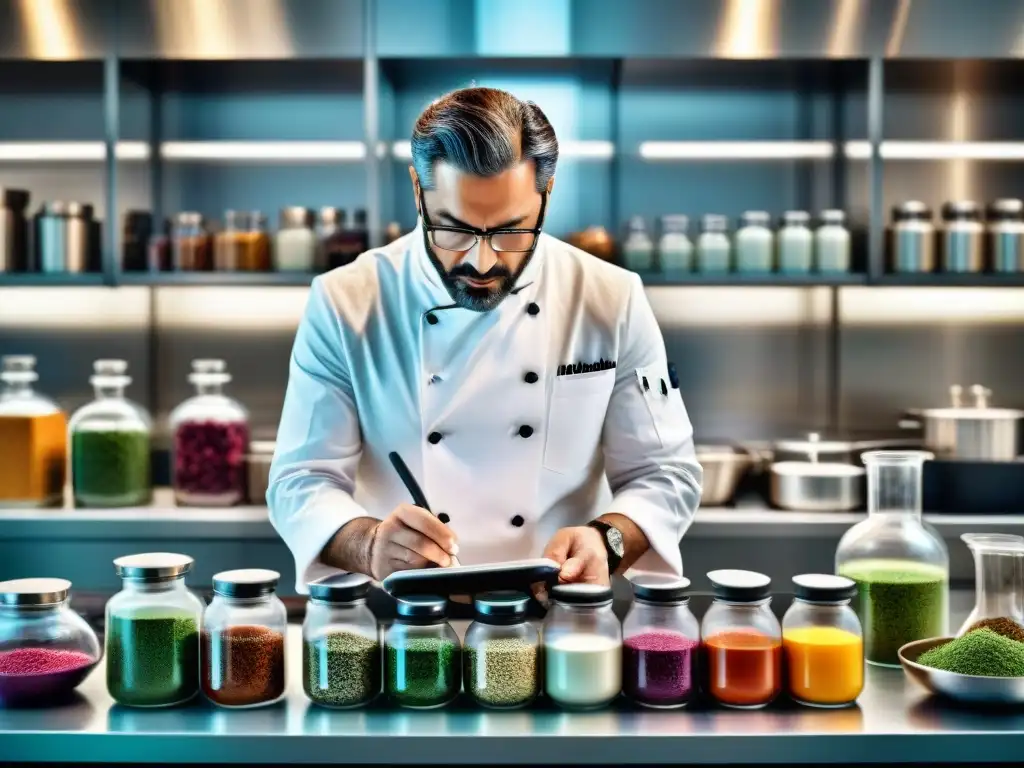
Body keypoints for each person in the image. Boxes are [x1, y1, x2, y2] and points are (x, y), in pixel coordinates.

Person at [268, 87, 702, 594]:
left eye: (510, 231)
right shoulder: (347, 301)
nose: (482, 261)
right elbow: (301, 481)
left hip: (558, 625)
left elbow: (666, 473)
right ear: (417, 189)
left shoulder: (610, 297)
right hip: (407, 628)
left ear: (547, 193)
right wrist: (368, 545)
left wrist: (607, 541)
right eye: (453, 230)